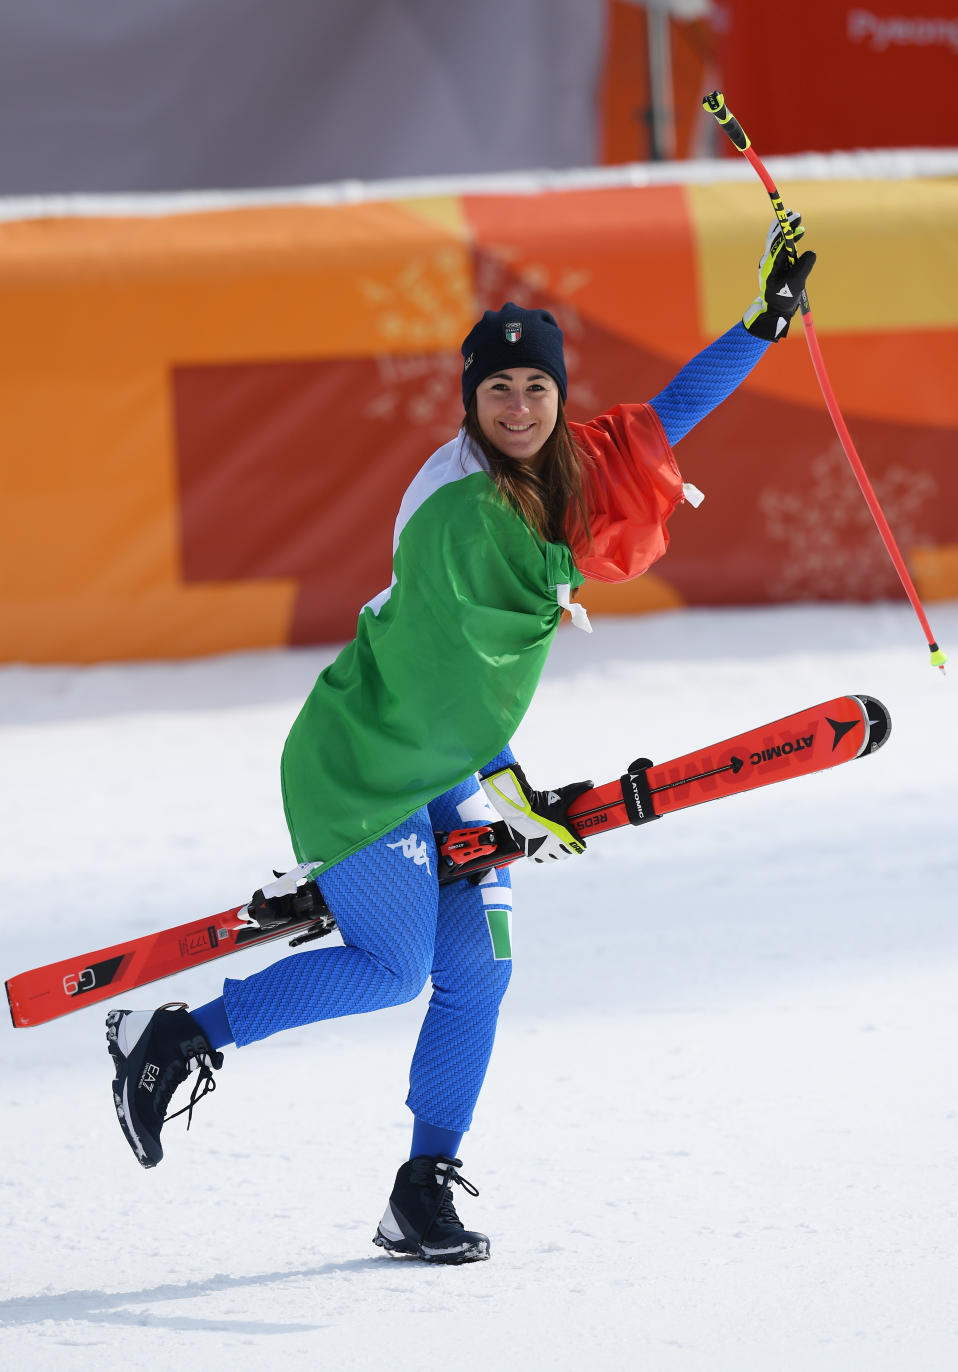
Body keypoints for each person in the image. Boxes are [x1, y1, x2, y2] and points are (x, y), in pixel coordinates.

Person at [105, 215, 815, 1263]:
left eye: (536, 388)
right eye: (498, 391)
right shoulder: (457, 512)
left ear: (558, 398)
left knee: (480, 963)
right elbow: (449, 689)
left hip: (453, 751)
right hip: (371, 756)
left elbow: (665, 420)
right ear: (470, 404)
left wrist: (764, 324)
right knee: (394, 967)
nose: (519, 406)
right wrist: (512, 786)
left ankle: (421, 1185)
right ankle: (178, 1041)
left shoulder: (567, 463)